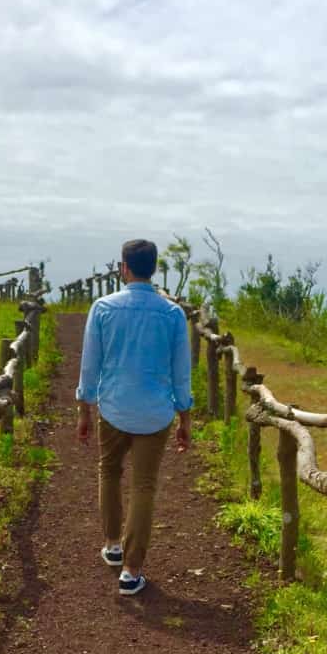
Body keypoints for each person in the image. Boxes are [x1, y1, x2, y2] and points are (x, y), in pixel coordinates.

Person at [75, 239, 193, 595]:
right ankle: (131, 569)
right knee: (144, 486)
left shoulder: (103, 308)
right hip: (156, 413)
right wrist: (185, 418)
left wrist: (84, 409)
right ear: (153, 268)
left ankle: (112, 543)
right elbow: (181, 373)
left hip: (113, 407)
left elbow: (89, 365)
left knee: (109, 471)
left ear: (123, 268)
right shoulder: (172, 314)